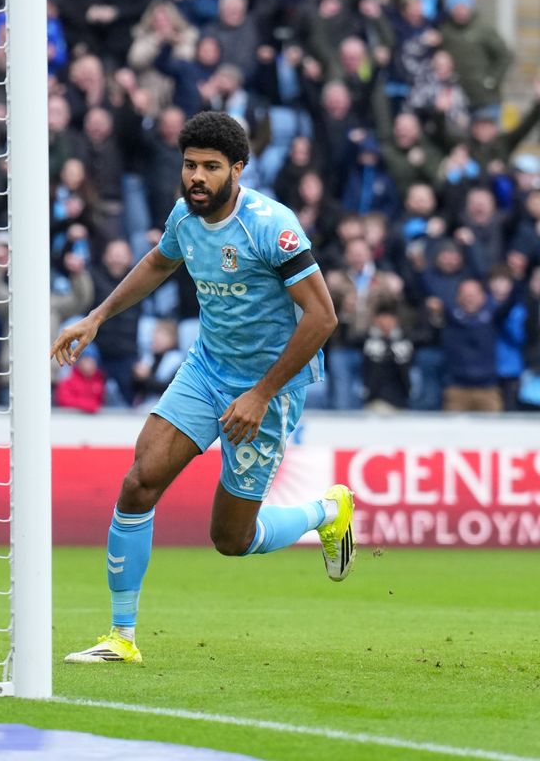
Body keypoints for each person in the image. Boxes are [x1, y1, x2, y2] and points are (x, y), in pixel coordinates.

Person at [51, 112, 355, 664]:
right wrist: (96, 317)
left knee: (231, 539)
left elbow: (323, 317)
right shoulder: (183, 217)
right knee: (140, 481)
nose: (197, 177)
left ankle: (326, 513)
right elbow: (157, 263)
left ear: (237, 169)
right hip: (206, 370)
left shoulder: (272, 226)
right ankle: (121, 636)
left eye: (211, 168)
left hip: (270, 388)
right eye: (190, 165)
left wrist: (262, 394)